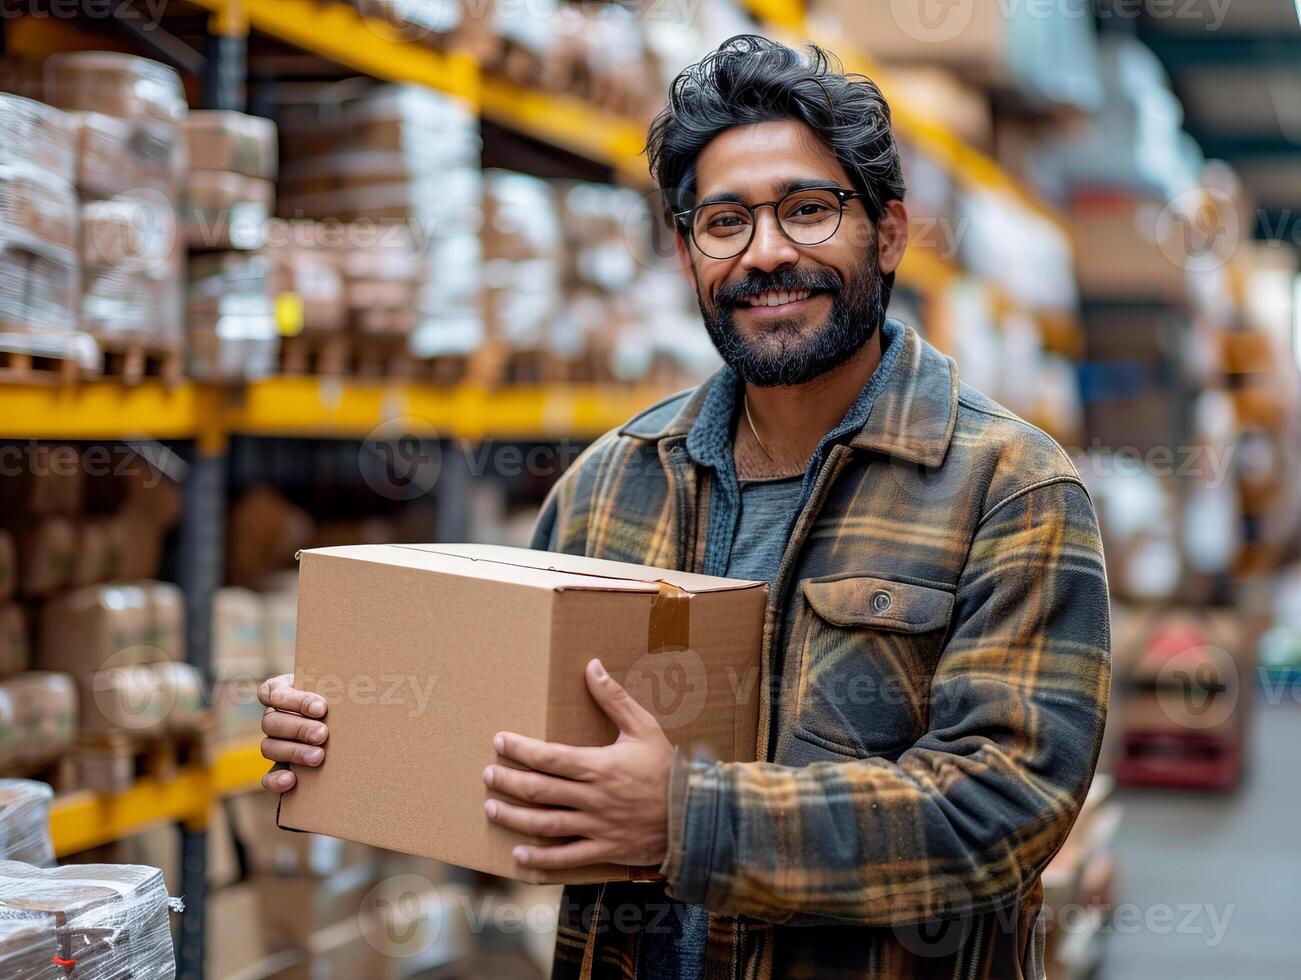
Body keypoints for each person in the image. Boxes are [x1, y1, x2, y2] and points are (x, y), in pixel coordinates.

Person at [258, 35, 1111, 979]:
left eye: (808, 210)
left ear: (891, 232)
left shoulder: (1010, 489)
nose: (767, 254)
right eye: (724, 223)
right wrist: (358, 731)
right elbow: (512, 738)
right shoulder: (611, 482)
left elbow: (1002, 810)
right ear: (685, 253)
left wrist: (686, 819)